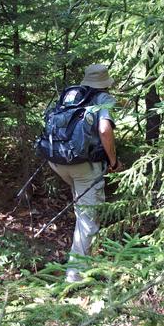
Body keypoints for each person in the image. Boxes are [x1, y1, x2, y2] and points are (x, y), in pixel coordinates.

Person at [48, 64, 122, 283]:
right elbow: (104, 130)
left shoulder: (71, 95)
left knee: (82, 209)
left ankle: (80, 263)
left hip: (58, 160)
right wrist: (113, 161)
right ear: (104, 84)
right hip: (83, 164)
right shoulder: (102, 100)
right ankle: (76, 275)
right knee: (88, 219)